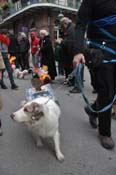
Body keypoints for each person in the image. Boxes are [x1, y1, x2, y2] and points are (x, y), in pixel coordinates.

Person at [73, 0, 116, 149]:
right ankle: (105, 133)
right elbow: (80, 25)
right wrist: (78, 51)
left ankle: (92, 109)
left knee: (111, 91)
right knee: (107, 90)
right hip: (101, 49)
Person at [56, 17, 75, 85]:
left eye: (62, 27)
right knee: (68, 68)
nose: (62, 29)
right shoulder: (70, 28)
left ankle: (71, 81)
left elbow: (69, 43)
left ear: (64, 24)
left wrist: (61, 42)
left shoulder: (71, 29)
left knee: (70, 68)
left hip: (70, 54)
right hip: (67, 54)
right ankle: (69, 80)